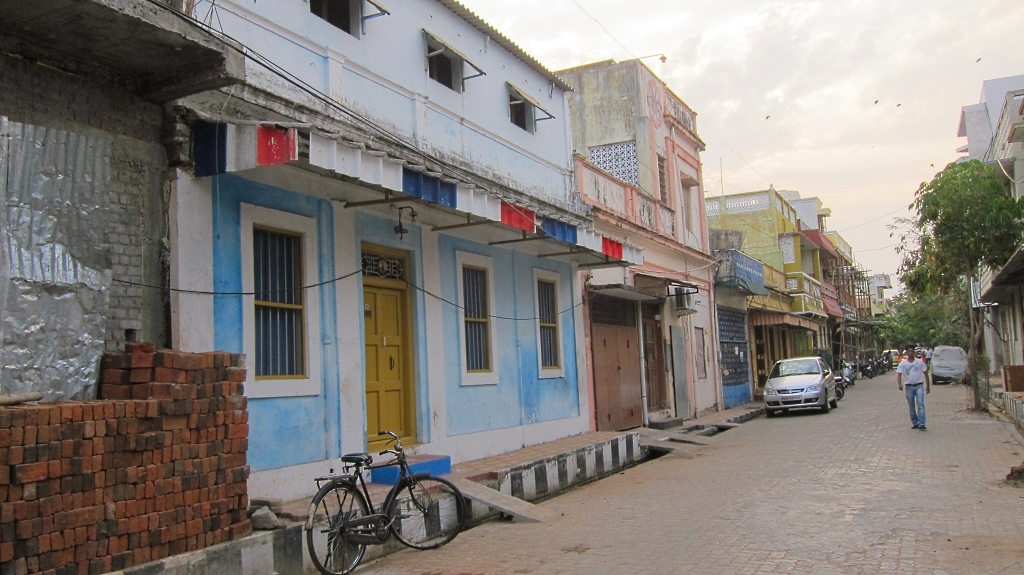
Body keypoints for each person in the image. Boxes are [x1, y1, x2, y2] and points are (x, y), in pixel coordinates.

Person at [897, 345, 930, 430]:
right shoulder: (903, 364)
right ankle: (914, 422)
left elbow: (925, 373)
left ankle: (921, 423)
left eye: (912, 351)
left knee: (920, 404)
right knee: (911, 405)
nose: (910, 353)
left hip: (919, 385)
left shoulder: (919, 362)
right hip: (909, 387)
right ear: (906, 352)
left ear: (914, 352)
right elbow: (899, 374)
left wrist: (928, 386)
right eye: (909, 351)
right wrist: (900, 384)